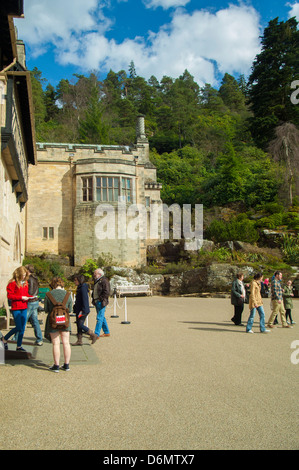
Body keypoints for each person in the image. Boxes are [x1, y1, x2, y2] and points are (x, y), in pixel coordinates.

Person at [44, 277, 73, 372]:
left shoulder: (48, 294)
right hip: (65, 320)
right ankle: (66, 365)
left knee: (56, 343)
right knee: (66, 342)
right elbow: (70, 309)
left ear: (53, 284)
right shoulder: (68, 294)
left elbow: (46, 309)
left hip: (53, 321)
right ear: (62, 284)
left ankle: (56, 366)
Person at [1, 266, 32, 352]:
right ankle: (5, 338)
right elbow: (10, 296)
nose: (23, 277)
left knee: (22, 328)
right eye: (22, 275)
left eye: (25, 275)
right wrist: (21, 297)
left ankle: (19, 346)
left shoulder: (25, 283)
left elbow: (26, 294)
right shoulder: (12, 283)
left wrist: (31, 297)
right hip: (16, 307)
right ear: (18, 274)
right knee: (18, 327)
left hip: (24, 307)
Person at [72, 274, 98, 345]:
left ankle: (92, 334)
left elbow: (85, 300)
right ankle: (79, 340)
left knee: (80, 324)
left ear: (79, 280)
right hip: (79, 309)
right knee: (78, 325)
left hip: (82, 310)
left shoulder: (83, 288)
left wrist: (83, 310)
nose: (74, 282)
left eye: (75, 280)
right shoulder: (80, 287)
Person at [25, 264, 43, 346]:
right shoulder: (35, 278)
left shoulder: (29, 279)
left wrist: (27, 297)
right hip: (35, 301)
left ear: (28, 271)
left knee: (23, 320)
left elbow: (31, 291)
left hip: (30, 302)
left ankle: (15, 338)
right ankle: (39, 339)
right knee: (35, 321)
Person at [92, 268, 110, 341]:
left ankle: (96, 334)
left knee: (99, 317)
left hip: (101, 301)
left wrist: (101, 299)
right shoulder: (97, 281)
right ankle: (106, 332)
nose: (94, 275)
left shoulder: (104, 281)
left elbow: (107, 292)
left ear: (99, 274)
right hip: (97, 301)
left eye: (95, 273)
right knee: (102, 317)